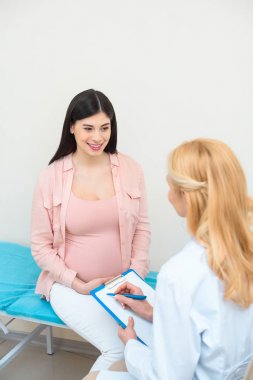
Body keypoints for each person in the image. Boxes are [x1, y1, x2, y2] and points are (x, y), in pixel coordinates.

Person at [85, 138, 253, 379]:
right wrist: (157, 313)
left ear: (186, 195)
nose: (168, 196)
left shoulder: (179, 274)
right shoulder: (245, 250)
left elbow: (167, 376)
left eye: (171, 186)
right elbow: (216, 329)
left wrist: (131, 344)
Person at [31, 89, 150, 371]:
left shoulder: (131, 169)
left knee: (143, 345)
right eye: (88, 128)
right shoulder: (51, 177)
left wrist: (135, 277)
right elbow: (40, 246)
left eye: (104, 128)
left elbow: (142, 228)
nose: (97, 137)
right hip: (71, 288)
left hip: (121, 285)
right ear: (71, 127)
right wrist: (77, 284)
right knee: (118, 350)